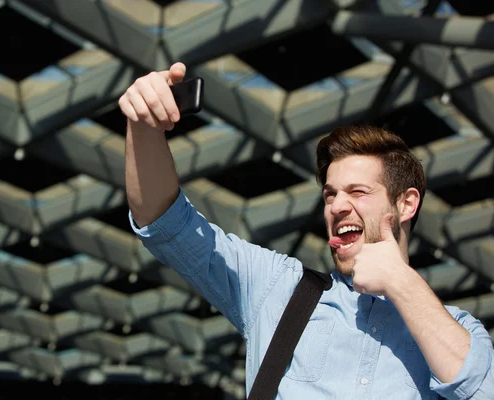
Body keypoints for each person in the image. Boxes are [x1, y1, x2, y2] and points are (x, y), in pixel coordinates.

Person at [119, 62, 494, 399]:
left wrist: (400, 281)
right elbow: (167, 224)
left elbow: (481, 389)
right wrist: (143, 128)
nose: (337, 206)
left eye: (358, 192)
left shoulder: (459, 329)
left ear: (407, 204)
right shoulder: (277, 289)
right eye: (330, 194)